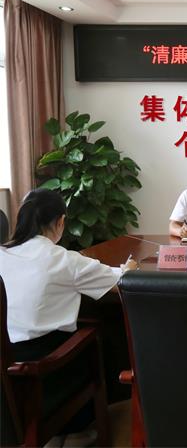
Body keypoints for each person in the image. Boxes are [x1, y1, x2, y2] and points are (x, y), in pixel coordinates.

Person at [0, 188, 138, 441]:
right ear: (60, 221)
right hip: (43, 377)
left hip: (6, 373)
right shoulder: (63, 260)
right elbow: (120, 282)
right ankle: (80, 429)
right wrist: (128, 269)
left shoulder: (2, 254)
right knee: (100, 336)